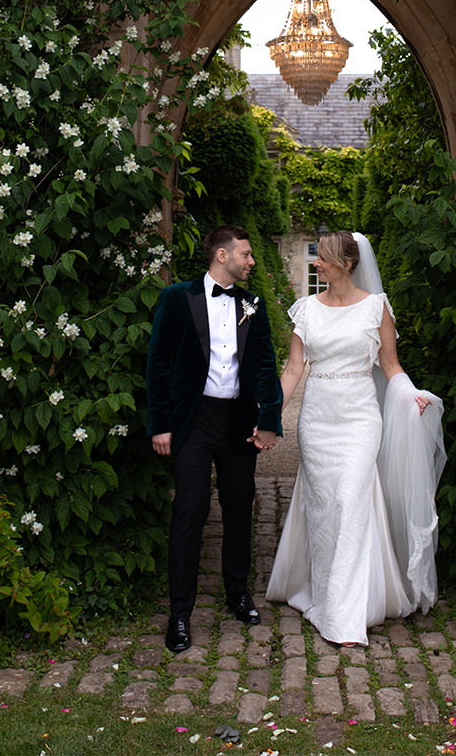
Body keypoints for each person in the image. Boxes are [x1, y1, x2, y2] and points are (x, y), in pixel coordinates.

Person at [266, 230, 445, 647]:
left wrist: (410, 394)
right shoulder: (306, 309)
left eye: (323, 258)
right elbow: (293, 369)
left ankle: (342, 615)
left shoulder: (376, 307)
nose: (317, 264)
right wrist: (269, 414)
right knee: (326, 506)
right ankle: (324, 589)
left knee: (350, 500)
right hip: (317, 419)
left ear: (347, 263)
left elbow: (390, 365)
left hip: (360, 418)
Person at [147, 224, 283, 654]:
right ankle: (180, 614)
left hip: (238, 421)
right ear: (222, 256)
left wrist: (268, 419)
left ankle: (238, 593)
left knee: (240, 507)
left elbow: (265, 363)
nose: (251, 261)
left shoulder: (253, 304)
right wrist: (160, 424)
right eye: (245, 254)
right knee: (190, 507)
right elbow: (158, 364)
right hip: (193, 419)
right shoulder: (176, 298)